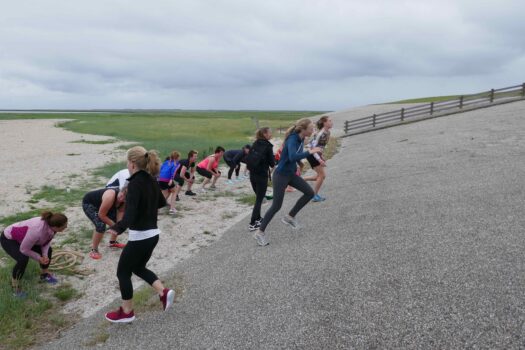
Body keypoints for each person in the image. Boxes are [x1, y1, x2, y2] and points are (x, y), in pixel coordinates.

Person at [104, 146, 174, 323]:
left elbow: (131, 214)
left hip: (141, 236)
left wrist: (118, 228)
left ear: (133, 164)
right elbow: (160, 203)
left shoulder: (135, 183)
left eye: (128, 162)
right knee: (137, 267)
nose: (127, 165)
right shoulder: (151, 179)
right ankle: (163, 292)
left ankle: (127, 312)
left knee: (122, 273)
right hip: (153, 234)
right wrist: (143, 204)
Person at [253, 118, 321, 246]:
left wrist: (300, 165)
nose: (313, 130)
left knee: (309, 193)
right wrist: (310, 152)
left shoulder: (301, 139)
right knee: (276, 206)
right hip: (281, 176)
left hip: (291, 174)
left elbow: (294, 157)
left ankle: (290, 217)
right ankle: (259, 232)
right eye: (311, 129)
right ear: (303, 129)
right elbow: (292, 156)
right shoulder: (293, 139)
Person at [1, 211, 68, 297]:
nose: (66, 227)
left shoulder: (52, 228)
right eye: (64, 226)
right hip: (9, 239)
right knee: (22, 258)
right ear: (55, 226)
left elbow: (46, 242)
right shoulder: (37, 231)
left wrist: (45, 255)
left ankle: (44, 275)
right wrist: (39, 258)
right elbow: (24, 249)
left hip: (24, 239)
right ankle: (15, 288)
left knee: (49, 250)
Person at [83, 187, 127, 259]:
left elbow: (121, 211)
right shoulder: (110, 196)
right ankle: (94, 250)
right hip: (90, 203)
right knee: (100, 225)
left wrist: (119, 225)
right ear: (120, 190)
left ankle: (112, 243)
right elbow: (101, 215)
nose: (122, 199)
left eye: (125, 199)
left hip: (104, 206)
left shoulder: (126, 202)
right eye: (122, 195)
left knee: (118, 223)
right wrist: (114, 226)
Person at [247, 127, 275, 231]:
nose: (271, 134)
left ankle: (258, 218)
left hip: (252, 175)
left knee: (258, 198)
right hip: (261, 176)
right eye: (270, 132)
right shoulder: (268, 146)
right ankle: (253, 223)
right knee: (259, 199)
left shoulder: (255, 143)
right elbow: (272, 163)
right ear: (264, 134)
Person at [304, 116, 333, 202]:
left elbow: (321, 146)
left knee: (319, 176)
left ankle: (301, 180)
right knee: (322, 176)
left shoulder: (328, 132)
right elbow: (312, 147)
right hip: (312, 154)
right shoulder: (321, 133)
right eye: (330, 121)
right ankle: (314, 195)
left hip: (316, 154)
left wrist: (321, 156)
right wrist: (319, 159)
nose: (332, 122)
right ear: (324, 123)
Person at [158, 151, 181, 215]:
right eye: (179, 157)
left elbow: (161, 169)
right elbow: (173, 172)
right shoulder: (176, 164)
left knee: (167, 192)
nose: (179, 158)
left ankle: (157, 209)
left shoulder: (166, 162)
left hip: (160, 179)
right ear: (177, 157)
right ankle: (172, 209)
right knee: (175, 191)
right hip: (167, 180)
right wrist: (171, 179)